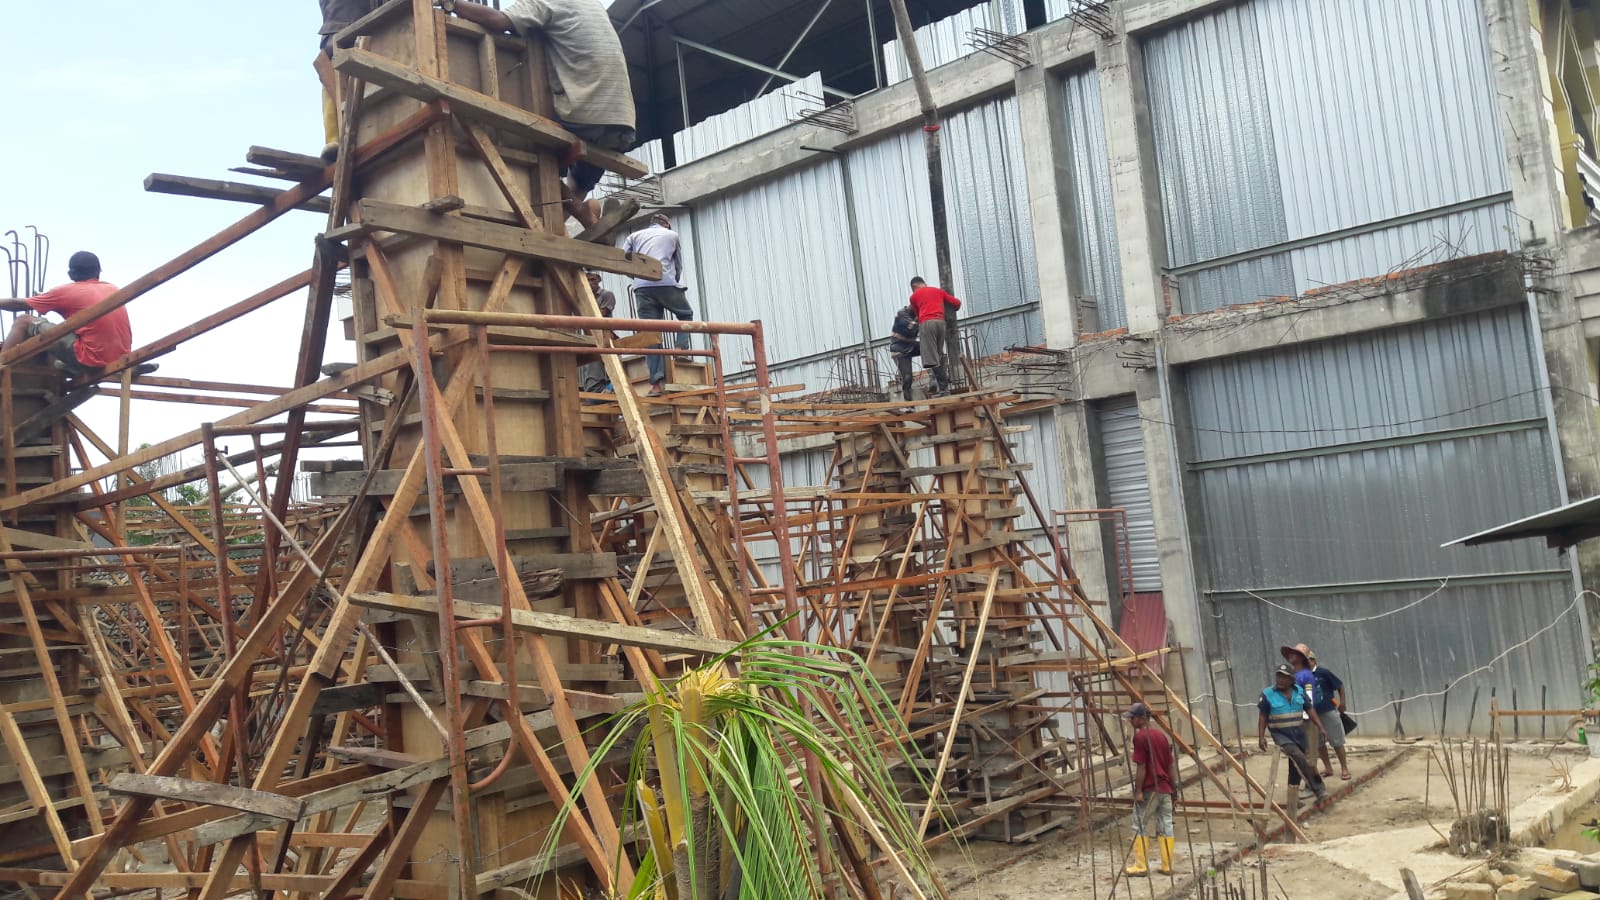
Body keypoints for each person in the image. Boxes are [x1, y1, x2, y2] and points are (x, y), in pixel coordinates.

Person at [444, 0, 636, 229]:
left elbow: (498, 20)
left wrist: (452, 4)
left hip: (585, 113)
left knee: (523, 142)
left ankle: (570, 217)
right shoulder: (589, 4)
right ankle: (579, 218)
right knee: (579, 178)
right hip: (621, 122)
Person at [0, 251, 133, 381]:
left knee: (24, 321)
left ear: (70, 274)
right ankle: (69, 366)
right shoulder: (113, 289)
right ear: (98, 272)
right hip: (121, 359)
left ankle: (1, 364)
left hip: (92, 360)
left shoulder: (65, 292)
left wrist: (47, 298)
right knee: (70, 330)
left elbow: (17, 304)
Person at [623, 214, 692, 396]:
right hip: (665, 282)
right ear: (667, 224)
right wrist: (672, 283)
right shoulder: (672, 235)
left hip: (642, 288)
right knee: (685, 315)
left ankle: (655, 385)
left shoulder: (633, 236)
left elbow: (623, 260)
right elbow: (678, 265)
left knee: (650, 335)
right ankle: (680, 349)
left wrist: (637, 280)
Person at [1258, 663, 1329, 804]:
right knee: (1300, 758)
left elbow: (1310, 710)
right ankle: (1319, 789)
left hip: (1298, 734)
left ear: (1291, 680)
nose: (1280, 680)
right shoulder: (1267, 694)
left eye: (1284, 677)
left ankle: (1293, 799)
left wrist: (1321, 727)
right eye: (1278, 676)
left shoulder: (1299, 691)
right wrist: (1261, 737)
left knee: (1295, 767)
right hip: (1281, 735)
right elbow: (1263, 716)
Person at [318, 1, 380, 161]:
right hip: (346, 27)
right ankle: (334, 138)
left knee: (338, 67)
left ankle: (335, 139)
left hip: (365, 27)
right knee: (335, 67)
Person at [1123, 702, 1175, 877]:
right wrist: (1174, 790)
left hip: (1150, 788)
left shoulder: (1140, 738)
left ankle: (1141, 865)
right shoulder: (1161, 736)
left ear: (1141, 718)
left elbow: (1142, 767)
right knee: (1165, 824)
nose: (1130, 720)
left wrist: (1138, 791)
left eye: (1133, 717)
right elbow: (1170, 766)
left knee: (1139, 824)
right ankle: (1167, 865)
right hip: (1165, 788)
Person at [907, 277, 960, 395]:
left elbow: (917, 313)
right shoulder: (938, 291)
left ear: (913, 287)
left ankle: (943, 388)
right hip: (941, 323)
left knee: (932, 359)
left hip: (927, 323)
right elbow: (957, 303)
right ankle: (943, 385)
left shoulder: (914, 297)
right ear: (924, 284)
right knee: (939, 354)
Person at [1306, 648, 1352, 781]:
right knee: (1319, 743)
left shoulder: (1323, 673)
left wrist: (1342, 702)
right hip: (1312, 714)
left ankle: (1344, 768)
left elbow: (1340, 685)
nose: (1307, 662)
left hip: (1328, 711)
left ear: (1314, 660)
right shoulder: (1302, 676)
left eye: (1309, 660)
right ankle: (1328, 767)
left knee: (1337, 741)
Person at [1281, 643, 1319, 790]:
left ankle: (1314, 785)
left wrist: (1304, 716)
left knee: (1308, 755)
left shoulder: (1305, 676)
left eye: (1294, 654)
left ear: (1301, 658)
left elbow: (1309, 699)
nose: (1291, 656)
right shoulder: (1293, 676)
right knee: (1300, 754)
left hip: (1305, 720)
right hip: (1294, 720)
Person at [578, 271, 617, 396]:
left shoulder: (606, 295)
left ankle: (610, 387)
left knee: (609, 366)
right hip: (590, 336)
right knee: (590, 367)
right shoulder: (582, 297)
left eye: (593, 280)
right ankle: (597, 388)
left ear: (599, 280)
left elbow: (601, 314)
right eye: (587, 280)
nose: (590, 283)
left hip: (604, 335)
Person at [888, 304, 919, 402]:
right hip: (899, 350)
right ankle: (909, 403)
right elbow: (912, 325)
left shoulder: (916, 315)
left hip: (911, 345)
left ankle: (935, 381)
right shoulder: (902, 314)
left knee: (930, 348)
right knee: (907, 377)